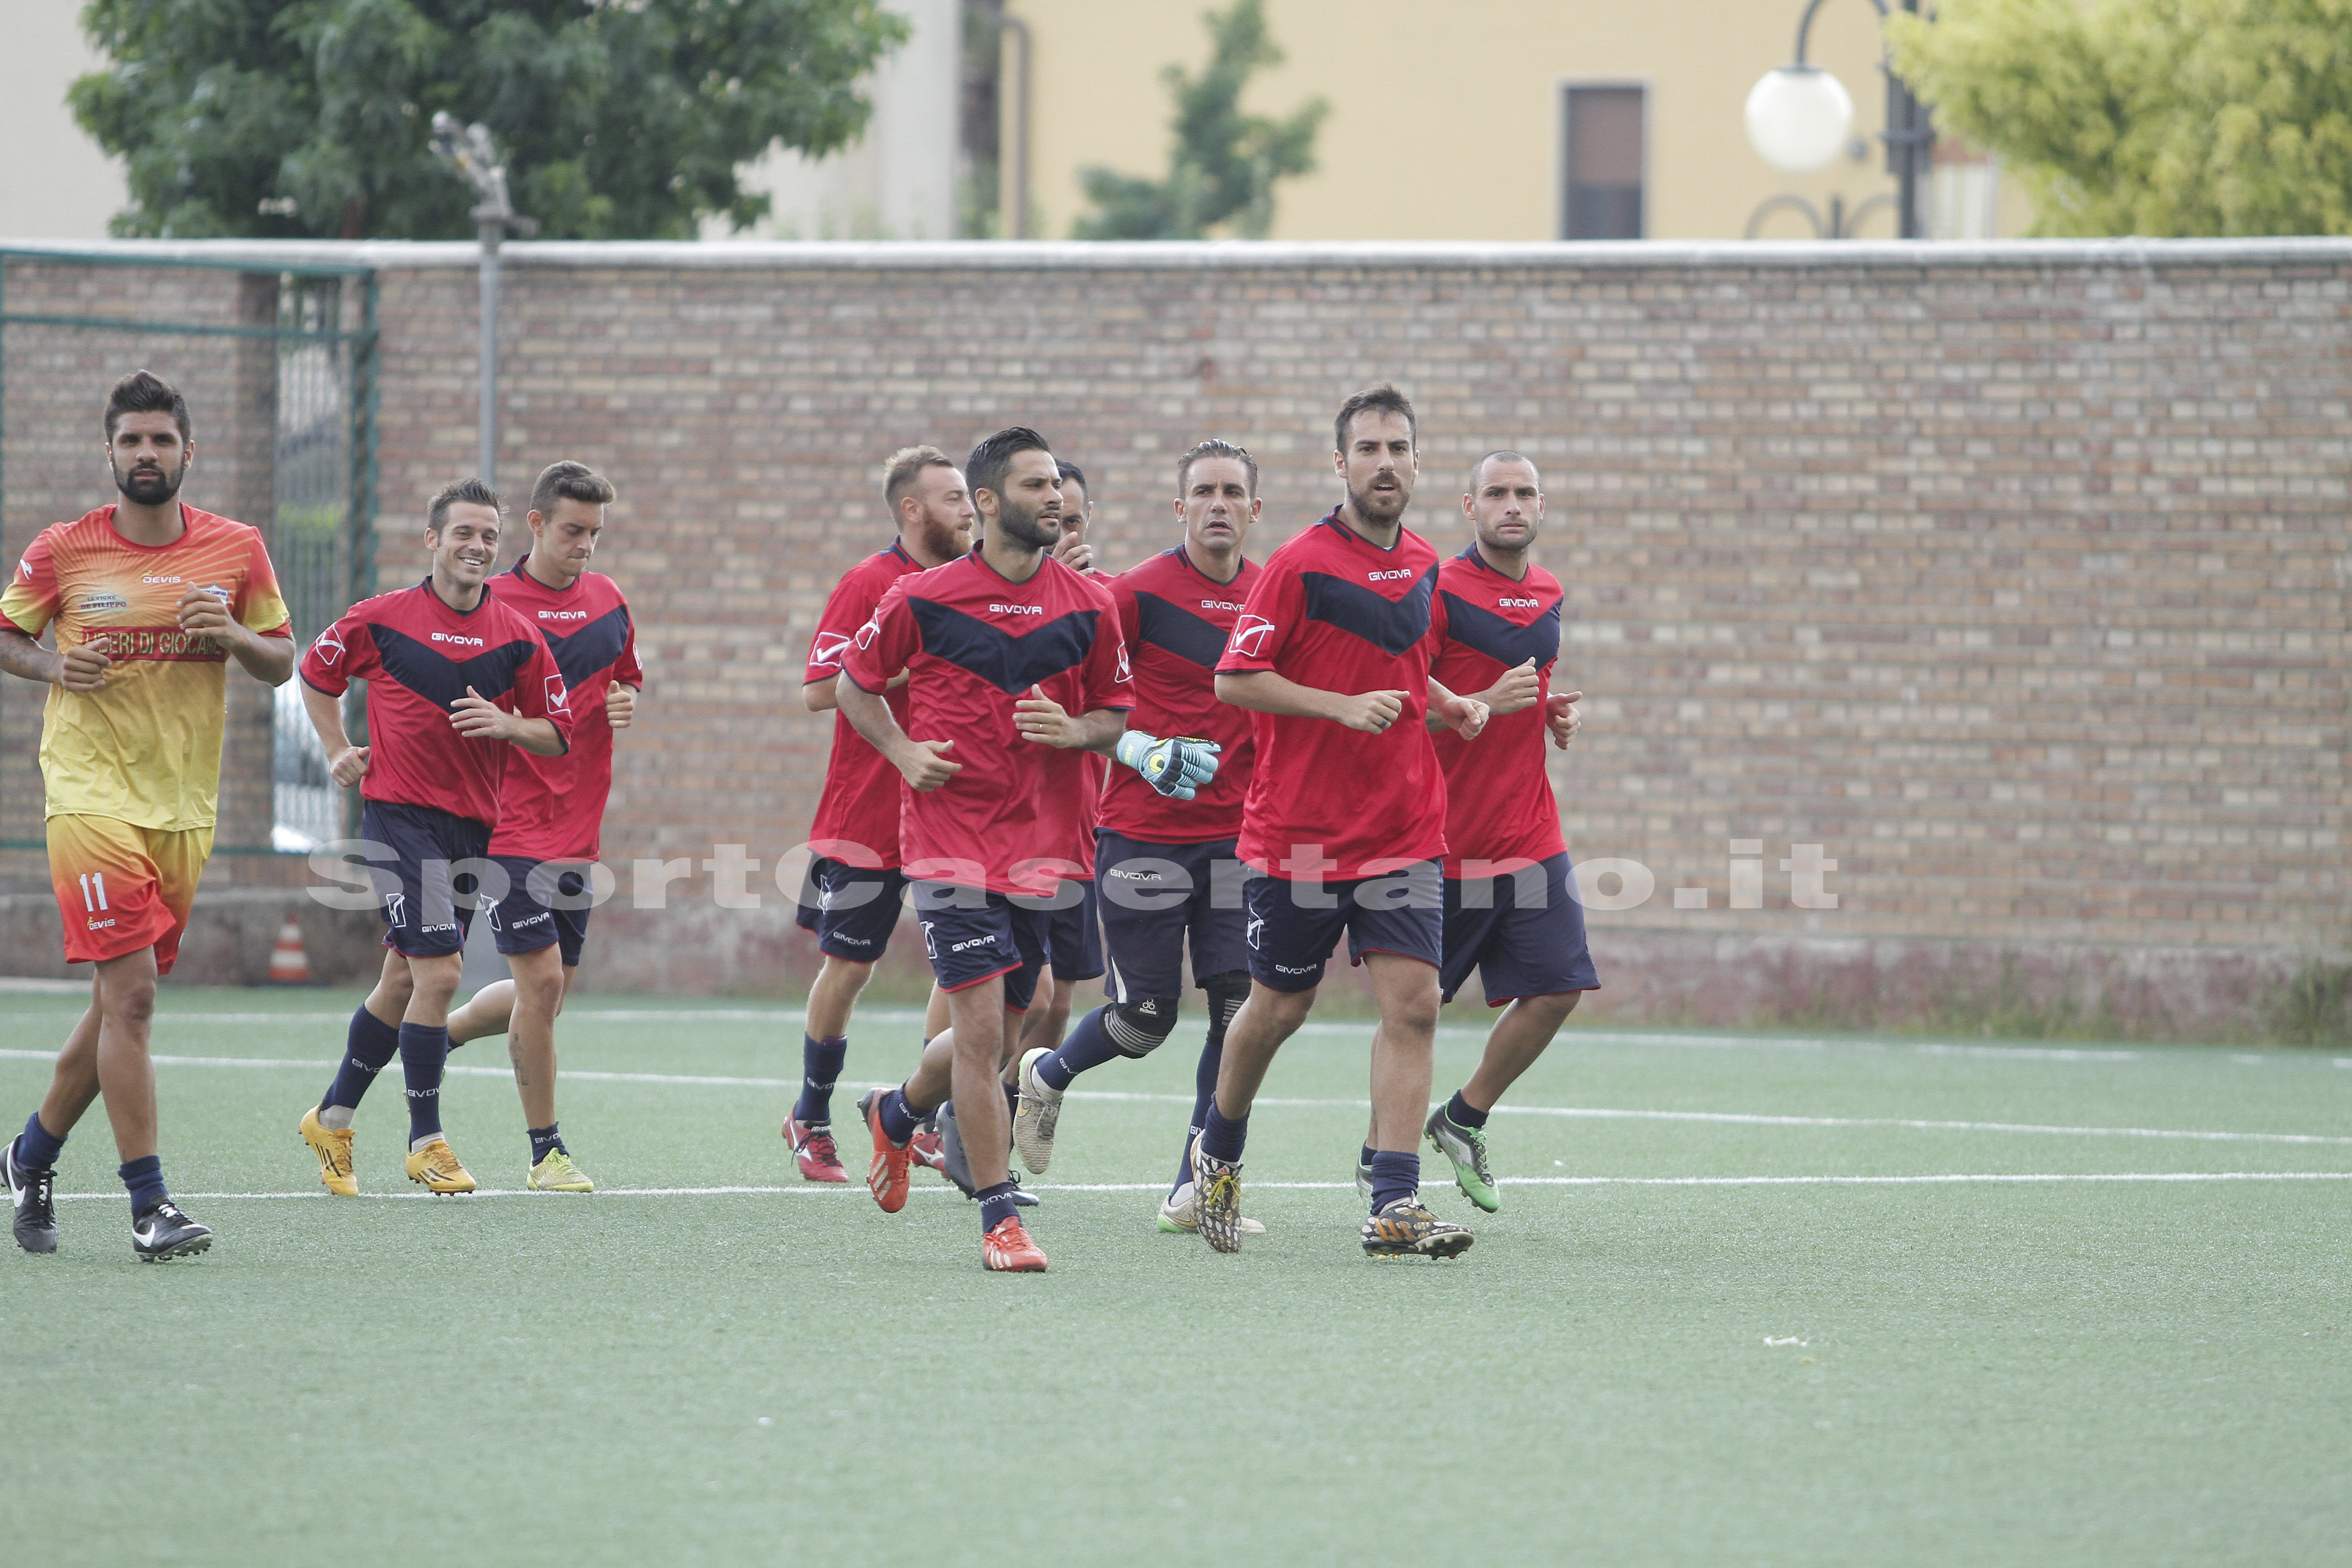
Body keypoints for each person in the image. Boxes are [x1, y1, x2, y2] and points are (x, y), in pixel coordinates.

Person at [0, 370, 294, 1261]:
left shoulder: (236, 549)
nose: (146, 454)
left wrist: (235, 638)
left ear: (187, 453)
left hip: (181, 808)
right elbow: (8, 633)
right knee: (133, 998)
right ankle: (150, 1206)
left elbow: (282, 661)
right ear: (110, 452)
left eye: (161, 440)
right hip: (88, 793)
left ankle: (31, 1152)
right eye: (131, 440)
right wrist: (54, 668)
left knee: (113, 1004)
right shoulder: (64, 549)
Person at [1192, 384, 1491, 1260]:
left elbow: (1404, 663)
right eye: (1369, 449)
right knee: (1278, 1009)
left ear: (1416, 461)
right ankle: (1221, 1148)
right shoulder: (1299, 563)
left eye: (1400, 448)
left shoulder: (1428, 562)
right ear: (1341, 463)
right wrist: (1337, 707)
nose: (1386, 464)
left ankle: (1394, 1204)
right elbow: (1233, 681)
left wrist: (1451, 703)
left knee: (1416, 1007)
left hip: (1404, 829)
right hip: (1301, 835)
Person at [837, 426, 1132, 1272]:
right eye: (1035, 486)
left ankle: (895, 1114)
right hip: (949, 847)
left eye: (1057, 486)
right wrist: (901, 752)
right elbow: (854, 688)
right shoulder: (922, 598)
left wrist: (1076, 730)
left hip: (1047, 850)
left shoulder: (1091, 605)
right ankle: (999, 1219)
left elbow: (1115, 716)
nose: (1054, 499)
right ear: (992, 501)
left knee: (1013, 1029)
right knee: (976, 1030)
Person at [346, 461, 642, 1192]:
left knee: (535, 988)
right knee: (536, 985)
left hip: (579, 824)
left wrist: (625, 698)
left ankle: (426, 1045)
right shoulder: (490, 604)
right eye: (573, 531)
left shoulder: (608, 600)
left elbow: (623, 674)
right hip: (504, 826)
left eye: (595, 534)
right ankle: (547, 1152)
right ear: (536, 526)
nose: (585, 547)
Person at [1009, 438, 1270, 1237]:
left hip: (1237, 842)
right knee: (1145, 1019)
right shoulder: (1137, 594)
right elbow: (1076, 707)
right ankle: (1048, 1073)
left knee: (1237, 1012)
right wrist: (1138, 749)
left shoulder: (1274, 592)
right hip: (1143, 837)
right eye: (1204, 491)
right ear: (1180, 507)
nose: (1219, 504)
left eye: (1233, 492)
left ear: (1255, 510)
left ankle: (1194, 1186)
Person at [294, 479, 573, 1196]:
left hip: (472, 827)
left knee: (401, 981)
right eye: (463, 534)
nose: (477, 547)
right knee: (441, 974)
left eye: (488, 536)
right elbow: (317, 674)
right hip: (397, 818)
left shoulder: (517, 635)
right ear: (433, 540)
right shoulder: (381, 618)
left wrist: (509, 725)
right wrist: (336, 748)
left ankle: (332, 1117)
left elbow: (558, 734)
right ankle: (428, 1141)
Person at [784, 447, 973, 1183]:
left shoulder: (972, 585)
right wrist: (904, 665)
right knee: (852, 967)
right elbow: (818, 690)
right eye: (954, 498)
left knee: (962, 970)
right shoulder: (869, 581)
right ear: (912, 511)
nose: (969, 508)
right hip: (865, 814)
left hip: (950, 816)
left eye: (969, 495)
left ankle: (920, 1119)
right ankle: (810, 1113)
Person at [1415, 451, 1593, 1211]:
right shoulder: (1440, 590)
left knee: (1559, 988)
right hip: (1447, 843)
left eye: (1525, 493)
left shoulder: (1549, 591)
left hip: (1530, 834)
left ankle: (1464, 1117)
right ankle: (1381, 1167)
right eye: (1497, 493)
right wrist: (1483, 699)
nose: (1511, 505)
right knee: (1414, 1012)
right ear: (1469, 506)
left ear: (1542, 508)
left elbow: (1533, 680)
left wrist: (1553, 710)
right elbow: (1404, 704)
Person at [1009, 458, 1110, 1062]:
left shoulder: (1108, 601)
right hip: (1008, 824)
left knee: (1061, 1002)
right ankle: (936, 1115)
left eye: (1075, 521)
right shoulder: (1002, 599)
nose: (1065, 537)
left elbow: (1118, 708)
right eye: (1054, 522)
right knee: (1024, 994)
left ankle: (1008, 1122)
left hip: (1078, 826)